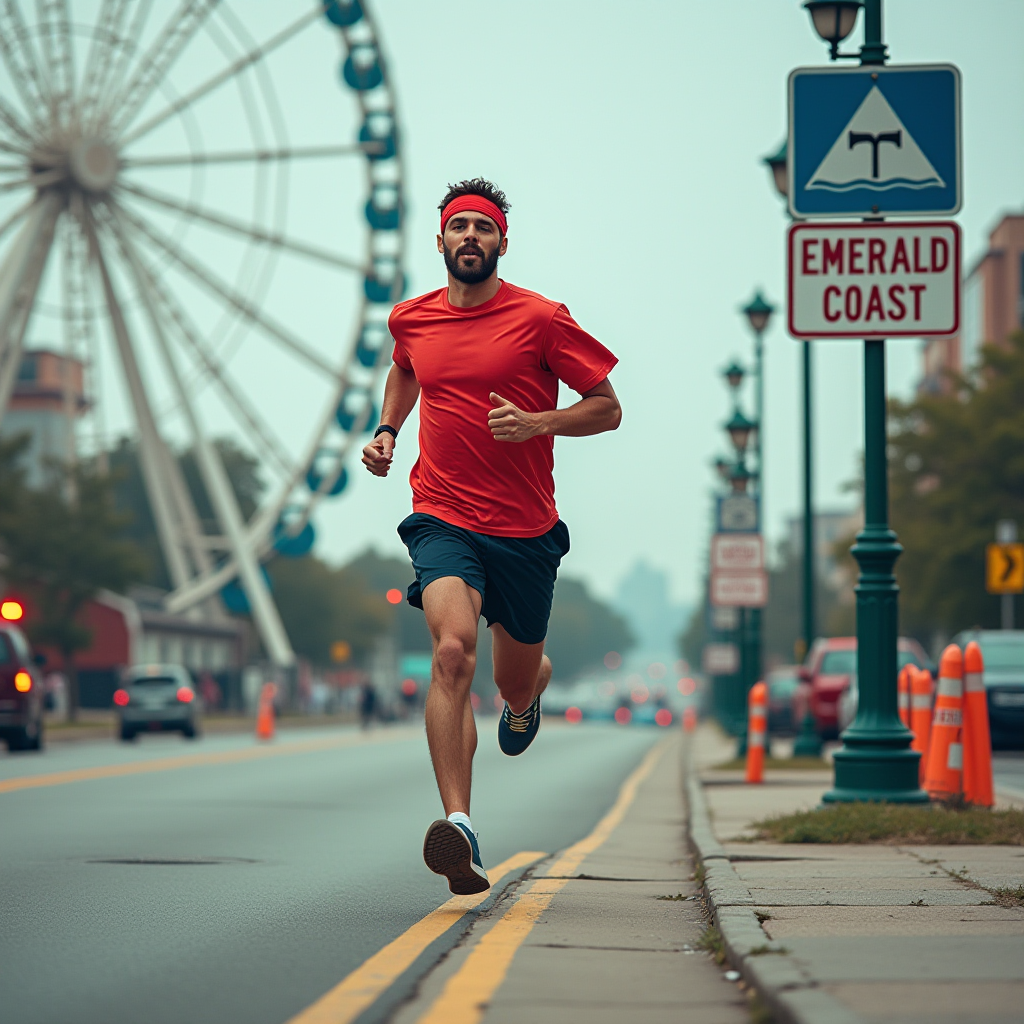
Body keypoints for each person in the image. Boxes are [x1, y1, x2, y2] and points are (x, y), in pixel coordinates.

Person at [361, 178, 621, 895]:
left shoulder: (541, 319)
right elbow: (406, 370)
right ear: (439, 240)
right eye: (459, 226)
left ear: (503, 243)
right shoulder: (412, 319)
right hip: (442, 514)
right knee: (451, 652)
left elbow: (607, 408)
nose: (470, 237)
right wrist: (388, 430)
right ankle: (461, 825)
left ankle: (527, 690)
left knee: (509, 677)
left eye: (483, 228)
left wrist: (539, 422)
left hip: (526, 529)